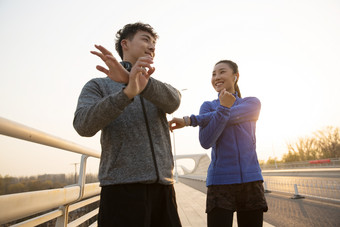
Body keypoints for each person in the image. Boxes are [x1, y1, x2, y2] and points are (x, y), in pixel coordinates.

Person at [73, 22, 182, 227]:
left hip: (164, 190)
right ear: (125, 43)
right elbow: (82, 125)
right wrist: (126, 93)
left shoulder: (155, 87)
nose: (152, 46)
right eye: (145, 39)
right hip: (121, 191)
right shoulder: (98, 85)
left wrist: (141, 84)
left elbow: (174, 101)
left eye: (154, 43)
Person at [169, 60, 268, 227]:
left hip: (251, 180)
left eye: (222, 72)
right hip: (220, 182)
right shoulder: (207, 107)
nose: (216, 77)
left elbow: (229, 115)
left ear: (235, 76)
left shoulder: (251, 103)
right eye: (213, 74)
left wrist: (190, 120)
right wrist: (222, 109)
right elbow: (206, 142)